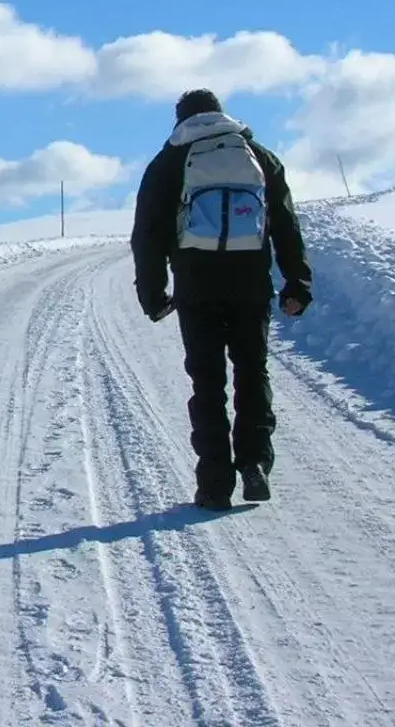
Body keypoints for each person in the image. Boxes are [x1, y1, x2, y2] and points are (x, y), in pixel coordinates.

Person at [130, 89, 312, 510]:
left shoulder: (169, 162)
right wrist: (297, 284)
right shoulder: (258, 155)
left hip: (197, 288)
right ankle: (255, 463)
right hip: (251, 284)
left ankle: (214, 484)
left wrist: (154, 294)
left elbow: (149, 235)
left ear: (181, 119)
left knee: (207, 383)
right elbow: (285, 224)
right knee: (252, 371)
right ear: (220, 113)